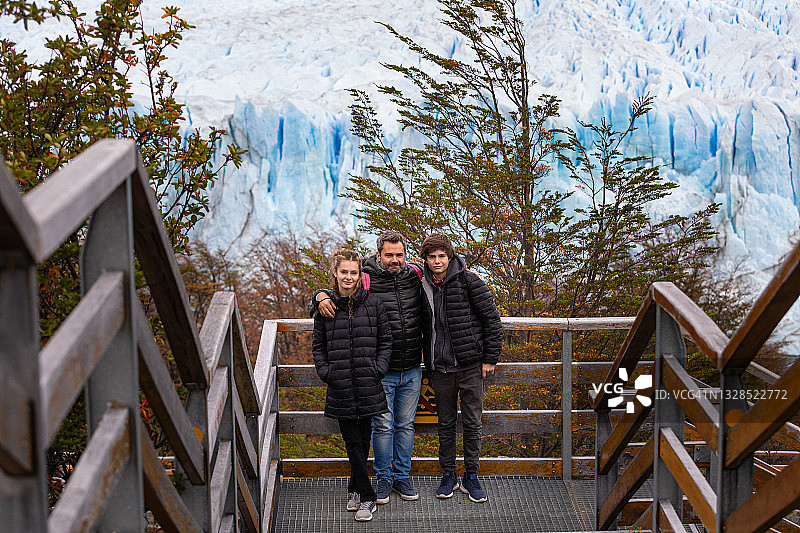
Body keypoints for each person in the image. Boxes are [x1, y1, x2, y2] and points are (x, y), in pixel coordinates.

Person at [313, 231, 424, 504]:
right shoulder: (366, 277)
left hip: (411, 367)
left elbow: (445, 279)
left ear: (406, 256)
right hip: (379, 372)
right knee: (383, 426)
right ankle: (383, 479)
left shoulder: (415, 276)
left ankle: (401, 478)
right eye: (389, 255)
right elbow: (341, 289)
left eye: (399, 255)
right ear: (378, 255)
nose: (394, 260)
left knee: (406, 425)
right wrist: (319, 296)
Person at [418, 233, 502, 503]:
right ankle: (448, 474)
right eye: (432, 257)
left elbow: (491, 319)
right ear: (426, 260)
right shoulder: (421, 285)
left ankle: (472, 476)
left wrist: (490, 359)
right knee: (444, 424)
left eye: (442, 255)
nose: (437, 261)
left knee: (472, 423)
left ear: (450, 256)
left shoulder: (468, 281)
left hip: (469, 366)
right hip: (439, 368)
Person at [312, 249, 392, 522]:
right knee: (352, 442)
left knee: (364, 440)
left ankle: (354, 489)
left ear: (360, 275)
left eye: (353, 272)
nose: (348, 277)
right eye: (343, 271)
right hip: (341, 385)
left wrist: (378, 369)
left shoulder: (374, 304)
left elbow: (386, 341)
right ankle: (368, 497)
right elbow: (318, 346)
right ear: (335, 272)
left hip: (368, 383)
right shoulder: (325, 308)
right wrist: (326, 372)